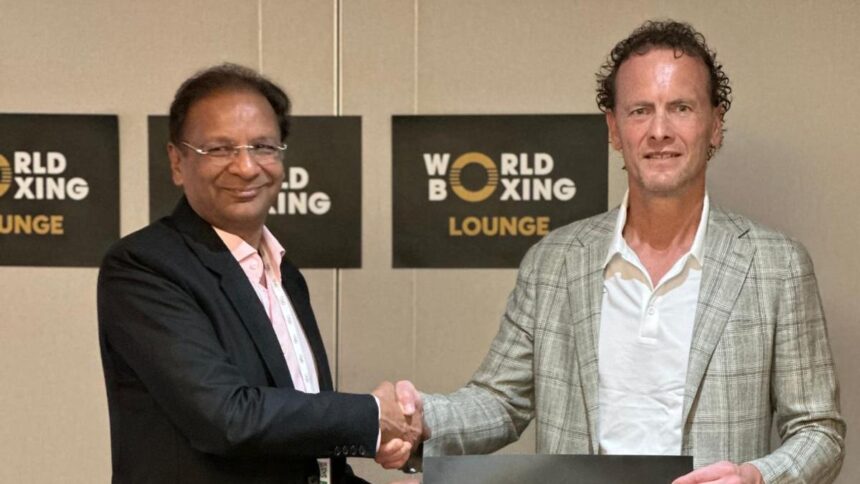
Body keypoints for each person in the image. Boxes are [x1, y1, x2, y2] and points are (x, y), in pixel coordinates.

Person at [395, 20, 845, 483]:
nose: (659, 130)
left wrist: (758, 477)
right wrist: (420, 419)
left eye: (681, 108)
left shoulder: (776, 267)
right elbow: (500, 402)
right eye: (640, 111)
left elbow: (818, 430)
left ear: (715, 124)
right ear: (614, 128)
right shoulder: (554, 262)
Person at [98, 63, 418, 483]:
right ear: (177, 161)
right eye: (219, 149)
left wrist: (387, 429)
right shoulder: (145, 266)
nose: (246, 167)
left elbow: (306, 460)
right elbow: (227, 418)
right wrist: (371, 418)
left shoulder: (285, 273)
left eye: (263, 146)